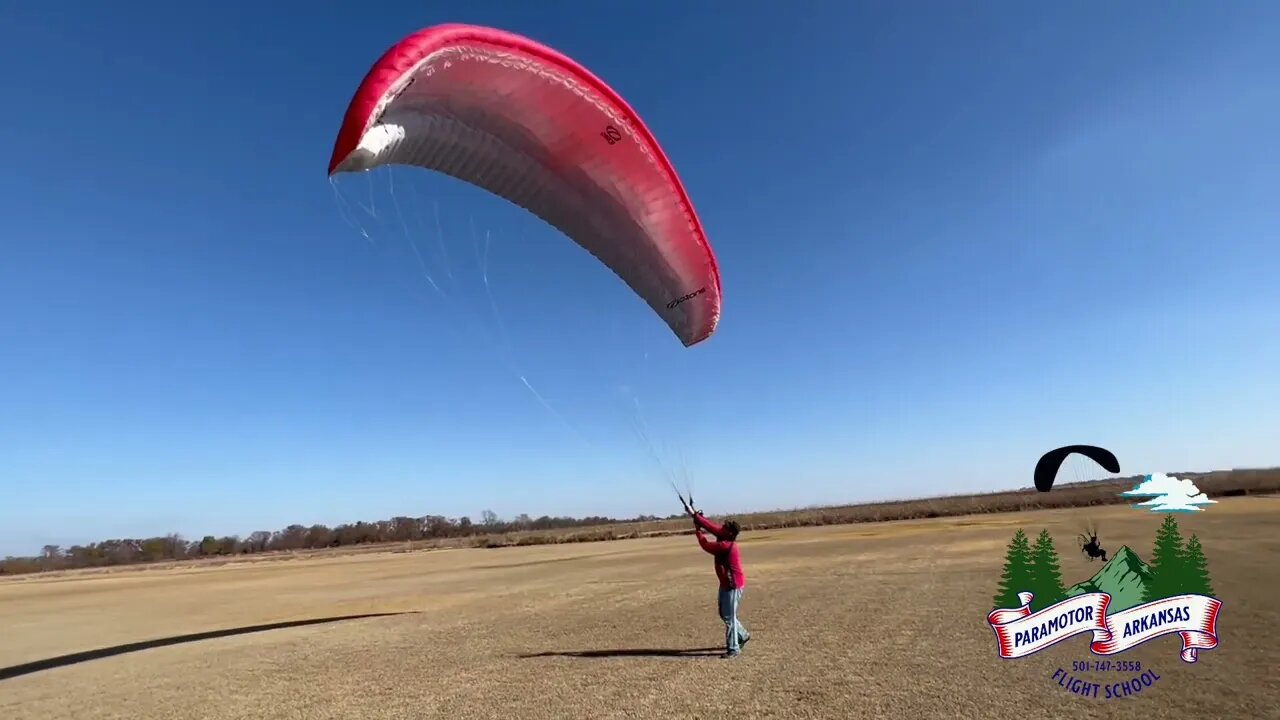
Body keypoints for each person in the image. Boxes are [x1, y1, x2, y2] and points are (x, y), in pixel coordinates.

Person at [689, 508, 751, 658]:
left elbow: (706, 546)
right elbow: (710, 526)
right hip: (725, 584)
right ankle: (742, 634)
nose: (721, 528)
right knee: (724, 614)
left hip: (732, 585)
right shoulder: (724, 537)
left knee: (729, 617)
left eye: (725, 527)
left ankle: (733, 648)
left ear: (730, 533)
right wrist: (697, 517)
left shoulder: (725, 545)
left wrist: (698, 531)